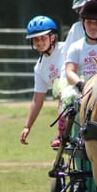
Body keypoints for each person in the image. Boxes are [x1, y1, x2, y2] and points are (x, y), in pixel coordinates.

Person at [65, 0, 97, 192]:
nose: (93, 26)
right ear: (83, 23)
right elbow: (69, 71)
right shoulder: (76, 46)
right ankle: (80, 180)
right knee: (74, 106)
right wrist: (82, 85)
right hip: (84, 92)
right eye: (89, 22)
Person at [20, 16, 66, 146]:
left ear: (53, 37)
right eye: (35, 39)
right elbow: (37, 100)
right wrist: (27, 126)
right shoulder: (39, 68)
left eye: (43, 38)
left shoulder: (66, 48)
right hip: (68, 107)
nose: (39, 42)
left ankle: (61, 134)